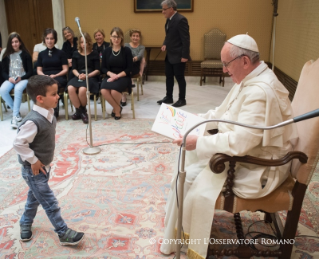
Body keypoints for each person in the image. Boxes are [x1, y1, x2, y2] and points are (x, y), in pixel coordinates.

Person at [160, 34, 298, 258]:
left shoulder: (259, 91)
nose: (224, 70)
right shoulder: (250, 79)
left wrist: (201, 142)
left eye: (226, 64)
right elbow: (223, 113)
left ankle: (182, 238)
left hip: (257, 167)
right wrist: (195, 121)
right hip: (245, 154)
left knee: (188, 176)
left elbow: (241, 141)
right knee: (185, 163)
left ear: (244, 61)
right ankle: (180, 230)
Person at [13, 75, 85, 245]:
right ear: (40, 98)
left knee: (34, 198)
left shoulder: (49, 113)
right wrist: (33, 160)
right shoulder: (32, 121)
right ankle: (63, 232)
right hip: (33, 169)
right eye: (53, 94)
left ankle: (25, 222)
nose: (58, 96)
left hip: (43, 167)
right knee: (49, 201)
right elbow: (18, 143)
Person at [157, 0, 190, 108]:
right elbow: (169, 36)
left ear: (171, 9)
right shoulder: (169, 20)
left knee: (179, 77)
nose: (162, 12)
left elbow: (185, 39)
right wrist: (164, 44)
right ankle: (169, 97)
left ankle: (182, 99)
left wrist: (185, 56)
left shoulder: (181, 20)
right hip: (170, 54)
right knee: (169, 76)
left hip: (179, 55)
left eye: (164, 9)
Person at [0, 32, 32, 129]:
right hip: (11, 78)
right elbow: (3, 72)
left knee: (18, 89)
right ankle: (16, 111)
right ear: (10, 44)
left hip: (23, 78)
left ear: (20, 42)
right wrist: (9, 78)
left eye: (16, 41)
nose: (14, 44)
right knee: (2, 90)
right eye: (12, 42)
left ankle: (15, 117)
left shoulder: (26, 54)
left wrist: (21, 78)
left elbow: (30, 71)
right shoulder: (6, 55)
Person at [67, 32, 100, 124]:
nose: (83, 44)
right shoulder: (75, 54)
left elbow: (97, 70)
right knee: (70, 88)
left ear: (89, 42)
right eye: (81, 42)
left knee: (82, 90)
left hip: (90, 76)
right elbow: (73, 69)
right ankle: (82, 112)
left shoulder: (94, 53)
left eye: (85, 42)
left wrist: (87, 76)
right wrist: (78, 75)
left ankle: (79, 112)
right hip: (78, 75)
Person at [100, 27, 133, 120]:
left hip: (123, 76)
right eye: (114, 36)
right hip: (110, 75)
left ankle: (116, 111)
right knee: (103, 90)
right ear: (110, 37)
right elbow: (103, 68)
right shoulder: (106, 51)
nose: (116, 39)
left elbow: (129, 68)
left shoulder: (126, 50)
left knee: (114, 91)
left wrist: (117, 76)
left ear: (121, 38)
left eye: (118, 37)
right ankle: (117, 107)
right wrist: (111, 74)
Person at [37, 28, 68, 118]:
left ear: (55, 40)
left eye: (51, 38)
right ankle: (43, 109)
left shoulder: (61, 53)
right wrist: (45, 76)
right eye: (47, 38)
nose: (49, 41)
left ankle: (54, 108)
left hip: (58, 76)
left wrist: (55, 75)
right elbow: (39, 70)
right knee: (42, 84)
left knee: (53, 83)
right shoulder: (41, 54)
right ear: (44, 39)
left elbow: (65, 69)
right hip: (45, 76)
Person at [123, 29, 146, 106]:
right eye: (133, 36)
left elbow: (140, 56)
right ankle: (128, 83)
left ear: (139, 38)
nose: (135, 38)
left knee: (142, 59)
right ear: (130, 37)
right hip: (126, 65)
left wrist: (133, 59)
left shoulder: (142, 47)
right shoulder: (126, 45)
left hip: (135, 65)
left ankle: (129, 81)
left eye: (137, 36)